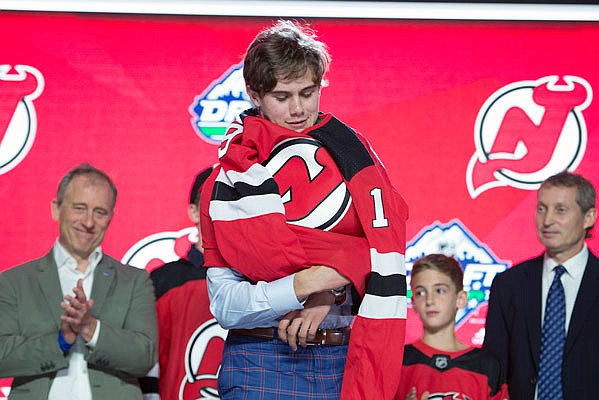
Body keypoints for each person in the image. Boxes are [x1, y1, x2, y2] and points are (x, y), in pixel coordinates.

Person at [200, 20, 409, 399]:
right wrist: (306, 285)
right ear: (254, 94)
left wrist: (327, 291)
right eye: (282, 97)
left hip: (344, 357)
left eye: (308, 93)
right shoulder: (227, 181)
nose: (298, 109)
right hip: (260, 361)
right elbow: (227, 307)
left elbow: (385, 250)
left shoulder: (354, 160)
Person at [0, 162, 158, 399]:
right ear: (56, 208)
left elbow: (144, 357)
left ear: (111, 217)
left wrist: (90, 329)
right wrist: (60, 341)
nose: (88, 222)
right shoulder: (15, 281)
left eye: (100, 212)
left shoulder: (134, 281)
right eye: (79, 208)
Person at [483, 171, 599, 400]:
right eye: (541, 208)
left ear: (589, 217)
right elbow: (494, 366)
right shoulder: (509, 285)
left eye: (560, 210)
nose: (547, 221)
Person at [140, 165, 222, 400]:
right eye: (210, 201)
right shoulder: (162, 281)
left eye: (228, 201)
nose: (218, 211)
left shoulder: (259, 280)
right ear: (194, 212)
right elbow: (146, 359)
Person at [397, 254, 509, 400]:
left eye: (440, 290)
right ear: (413, 302)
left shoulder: (488, 367)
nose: (429, 300)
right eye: (420, 292)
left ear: (461, 299)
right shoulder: (398, 362)